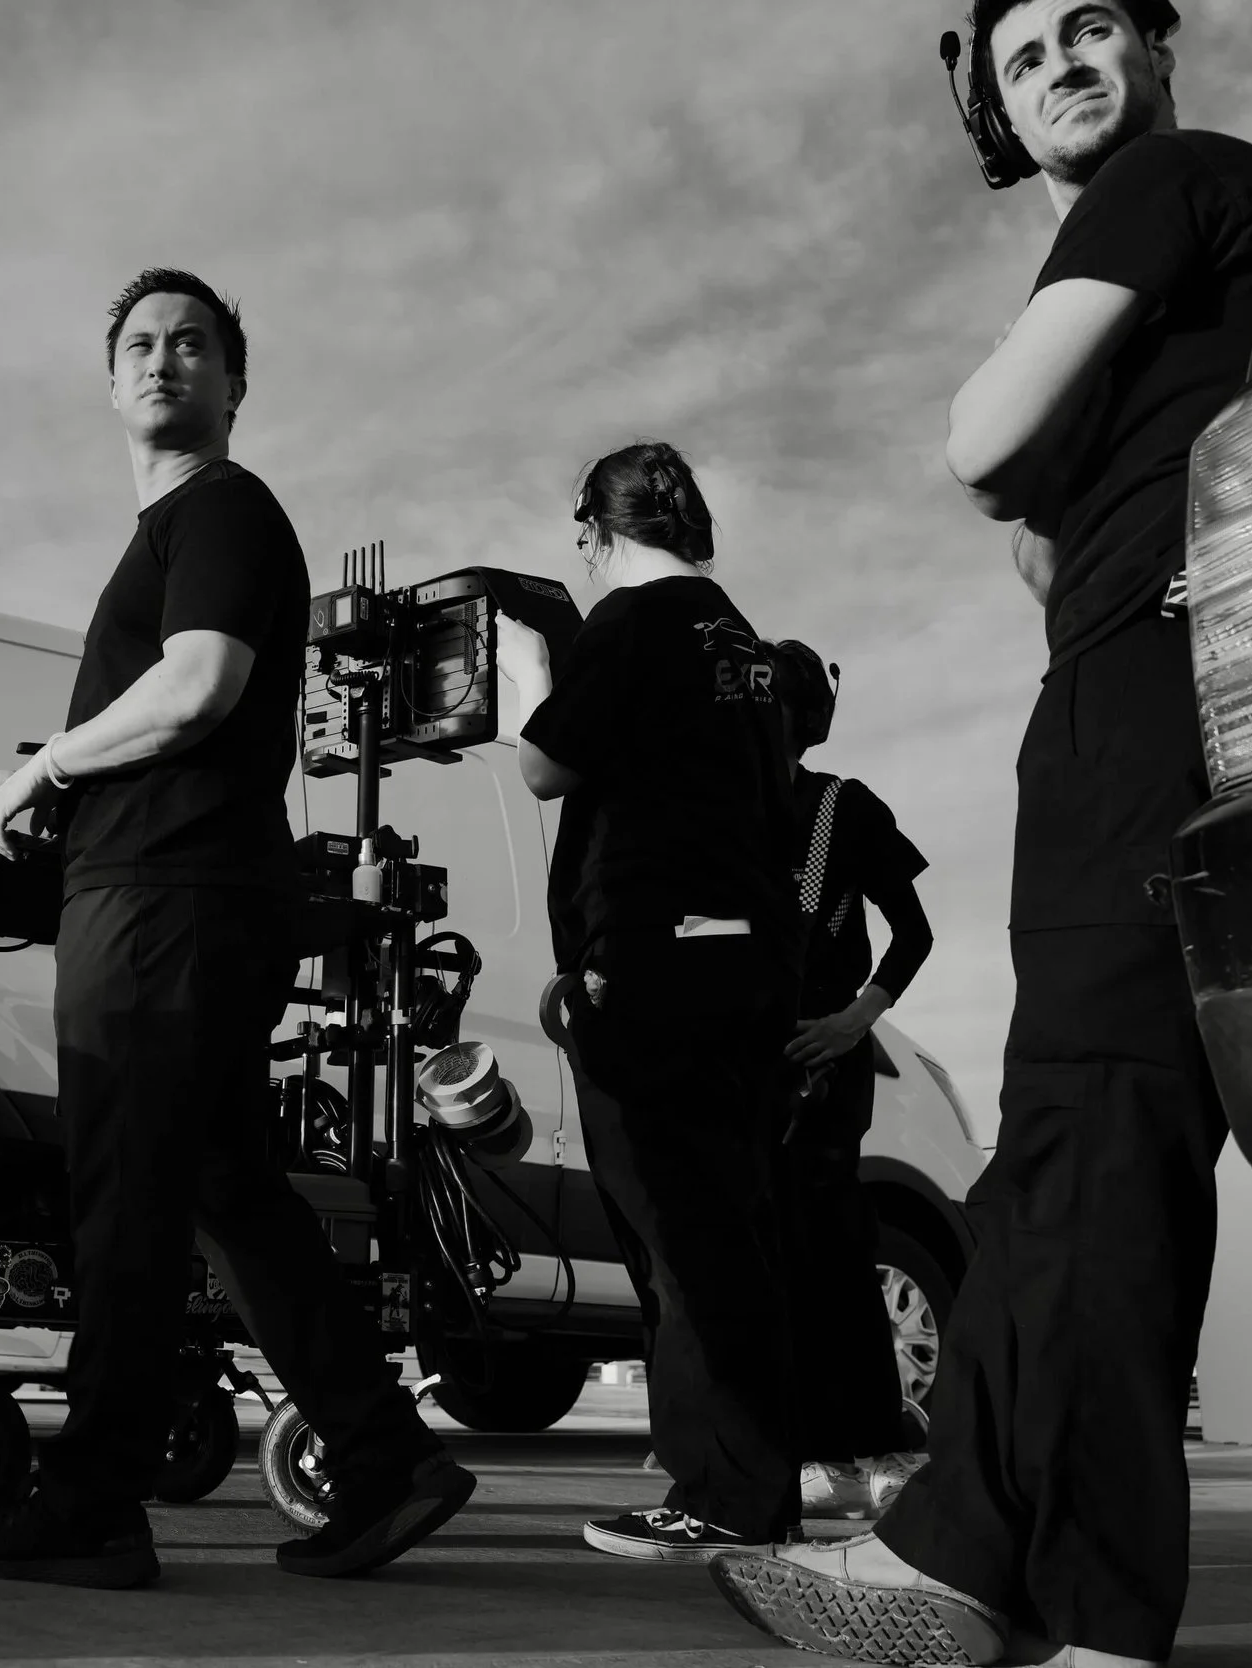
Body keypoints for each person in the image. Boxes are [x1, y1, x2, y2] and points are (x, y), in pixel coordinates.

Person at [710, 4, 1252, 1665]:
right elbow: (1041, 530)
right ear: (988, 101)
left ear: (1161, 49)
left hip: (1166, 680)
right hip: (1121, 682)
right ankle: (991, 1558)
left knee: (1100, 1118)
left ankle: (1070, 1597)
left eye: (1093, 27)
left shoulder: (1175, 176)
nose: (1061, 65)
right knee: (1071, 1133)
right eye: (1025, 52)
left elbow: (981, 451)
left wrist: (1026, 442)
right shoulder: (1157, 281)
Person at [0, 267, 470, 1589]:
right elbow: (165, 727)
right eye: (141, 343)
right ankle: (388, 1457)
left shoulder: (222, 510)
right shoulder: (174, 533)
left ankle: (96, 1503)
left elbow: (198, 690)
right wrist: (24, 786)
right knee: (234, 1192)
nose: (165, 359)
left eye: (193, 344)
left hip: (166, 911)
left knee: (126, 1201)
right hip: (187, 897)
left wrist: (45, 769)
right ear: (110, 381)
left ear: (236, 381)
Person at [492, 439, 803, 1561]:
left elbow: (543, 766)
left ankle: (724, 1495)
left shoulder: (628, 626)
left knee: (676, 1235)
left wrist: (531, 678)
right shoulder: (746, 646)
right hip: (738, 958)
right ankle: (750, 1480)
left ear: (594, 530)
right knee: (727, 1230)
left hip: (656, 965)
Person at [764, 640, 936, 1522]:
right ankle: (806, 1452)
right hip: (742, 1080)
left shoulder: (843, 807)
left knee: (832, 1260)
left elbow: (914, 933)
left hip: (825, 1078)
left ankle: (886, 1446)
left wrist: (850, 1024)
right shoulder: (719, 810)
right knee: (764, 1268)